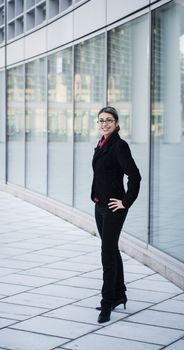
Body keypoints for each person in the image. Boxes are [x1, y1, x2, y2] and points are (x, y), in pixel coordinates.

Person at [91, 106, 141, 323]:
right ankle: (119, 294)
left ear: (117, 122)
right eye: (101, 120)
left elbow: (135, 176)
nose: (104, 124)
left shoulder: (119, 146)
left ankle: (107, 302)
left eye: (108, 120)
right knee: (111, 250)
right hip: (99, 205)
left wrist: (125, 202)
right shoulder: (102, 143)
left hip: (113, 208)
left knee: (107, 254)